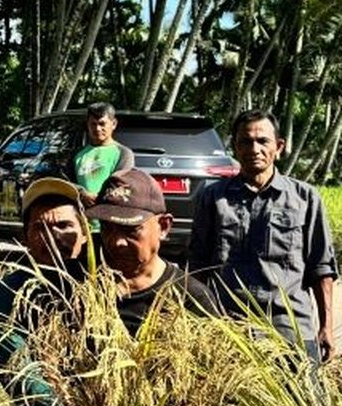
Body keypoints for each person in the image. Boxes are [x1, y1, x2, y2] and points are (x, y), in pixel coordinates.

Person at [189, 109, 337, 362]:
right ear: (234, 147)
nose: (254, 148)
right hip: (229, 329)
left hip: (290, 332)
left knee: (301, 400)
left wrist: (326, 328)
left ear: (279, 147)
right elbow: (198, 266)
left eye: (263, 141)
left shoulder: (305, 198)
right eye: (245, 141)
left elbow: (321, 268)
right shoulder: (213, 198)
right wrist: (196, 322)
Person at [0, 178, 90, 406]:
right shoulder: (7, 293)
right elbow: (19, 368)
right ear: (25, 238)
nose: (53, 237)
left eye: (64, 225)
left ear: (85, 232)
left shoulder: (104, 285)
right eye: (40, 228)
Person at [86, 169, 217, 336]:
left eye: (131, 230)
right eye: (107, 228)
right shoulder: (82, 284)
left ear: (163, 226)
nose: (116, 241)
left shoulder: (191, 299)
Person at [72, 102, 135, 195]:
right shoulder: (77, 154)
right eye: (93, 124)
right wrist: (82, 194)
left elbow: (121, 184)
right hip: (80, 206)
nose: (97, 128)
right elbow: (68, 183)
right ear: (87, 125)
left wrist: (98, 198)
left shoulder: (124, 153)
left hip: (109, 207)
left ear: (113, 124)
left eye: (102, 124)